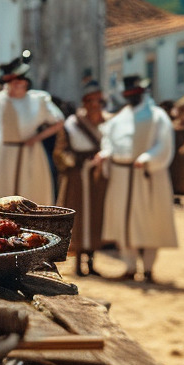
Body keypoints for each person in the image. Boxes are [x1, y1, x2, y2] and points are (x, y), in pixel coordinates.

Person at [96, 75, 177, 282]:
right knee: (123, 221)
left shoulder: (157, 116)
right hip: (121, 175)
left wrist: (148, 158)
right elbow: (109, 140)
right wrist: (106, 153)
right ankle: (130, 266)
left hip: (147, 175)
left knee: (150, 220)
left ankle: (148, 269)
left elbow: (164, 143)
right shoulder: (119, 117)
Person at [0, 51, 65, 204]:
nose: (15, 85)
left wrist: (37, 137)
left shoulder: (38, 99)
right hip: (4, 153)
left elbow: (59, 121)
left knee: (31, 192)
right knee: (4, 193)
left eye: (18, 81)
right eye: (11, 82)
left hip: (30, 152)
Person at [54, 78, 108, 276]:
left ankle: (92, 262)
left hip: (98, 178)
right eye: (91, 101)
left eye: (99, 101)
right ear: (84, 102)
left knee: (96, 217)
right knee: (78, 218)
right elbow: (60, 152)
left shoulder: (108, 123)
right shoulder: (72, 125)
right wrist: (77, 162)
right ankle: (77, 264)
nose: (95, 105)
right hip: (77, 179)